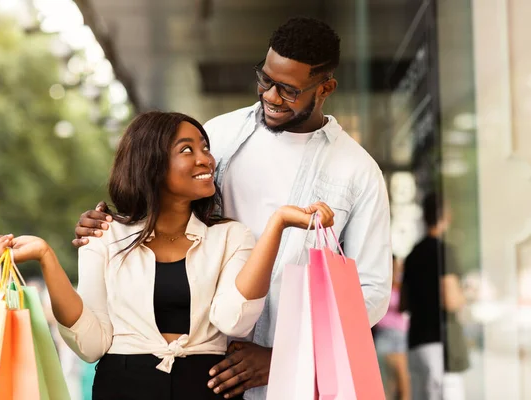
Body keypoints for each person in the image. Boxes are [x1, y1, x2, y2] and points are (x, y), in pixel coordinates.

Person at [74, 17, 392, 399]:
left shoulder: (358, 172)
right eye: (265, 80)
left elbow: (370, 292)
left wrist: (281, 357)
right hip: (201, 372)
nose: (271, 96)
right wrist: (111, 223)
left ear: (325, 88)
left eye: (288, 90)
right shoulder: (219, 136)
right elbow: (163, 204)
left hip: (294, 378)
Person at [0, 111, 334, 400]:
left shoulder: (231, 236)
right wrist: (47, 258)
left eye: (205, 147)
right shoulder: (105, 236)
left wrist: (278, 224)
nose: (206, 159)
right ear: (151, 163)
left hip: (207, 388)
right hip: (123, 388)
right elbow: (91, 343)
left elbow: (234, 320)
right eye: (187, 149)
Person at [400, 193, 469, 400]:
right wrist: (468, 295)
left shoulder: (413, 254)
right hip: (441, 345)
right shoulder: (444, 251)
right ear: (446, 215)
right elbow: (450, 300)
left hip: (416, 342)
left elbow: (404, 303)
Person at [374, 256, 410, 400]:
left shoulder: (403, 288)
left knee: (403, 381)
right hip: (384, 334)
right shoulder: (382, 287)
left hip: (400, 335)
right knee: (387, 381)